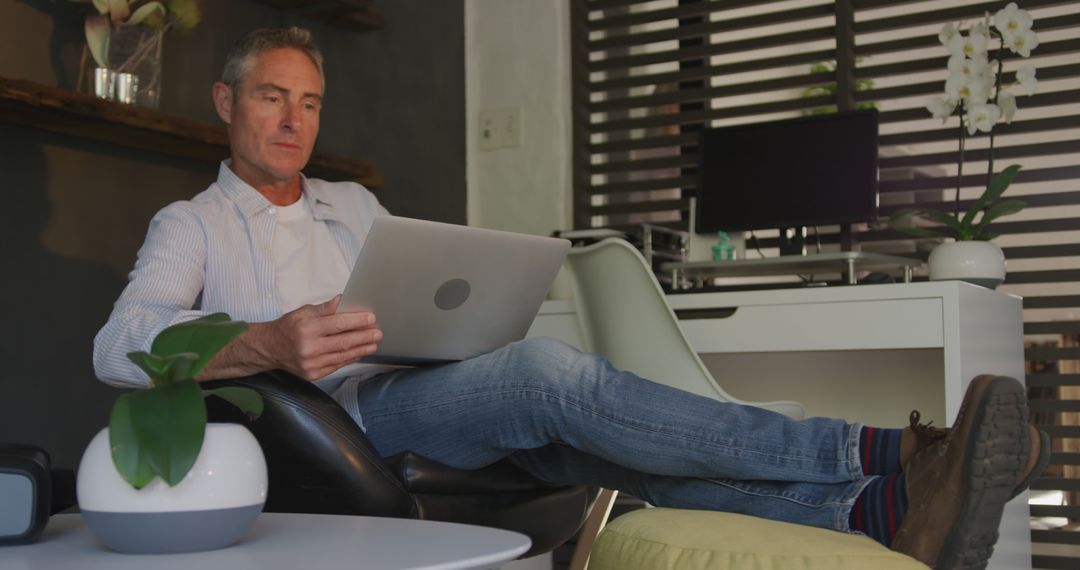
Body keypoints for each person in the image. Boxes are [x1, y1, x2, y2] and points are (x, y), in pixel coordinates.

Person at [94, 27, 1047, 570]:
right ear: (226, 104)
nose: (294, 120)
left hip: (430, 390)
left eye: (308, 102)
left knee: (624, 454)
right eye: (271, 98)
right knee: (553, 372)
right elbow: (120, 343)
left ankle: (881, 517)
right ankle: (883, 450)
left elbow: (412, 287)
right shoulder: (195, 226)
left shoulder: (352, 203)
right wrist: (268, 341)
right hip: (347, 423)